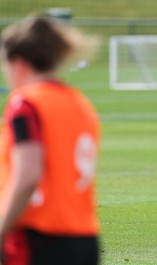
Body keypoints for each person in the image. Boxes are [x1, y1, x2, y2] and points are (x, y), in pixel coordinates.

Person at [0, 17, 100, 265]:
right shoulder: (80, 103)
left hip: (38, 239)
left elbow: (28, 175)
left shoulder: (26, 103)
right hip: (85, 239)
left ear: (19, 64)